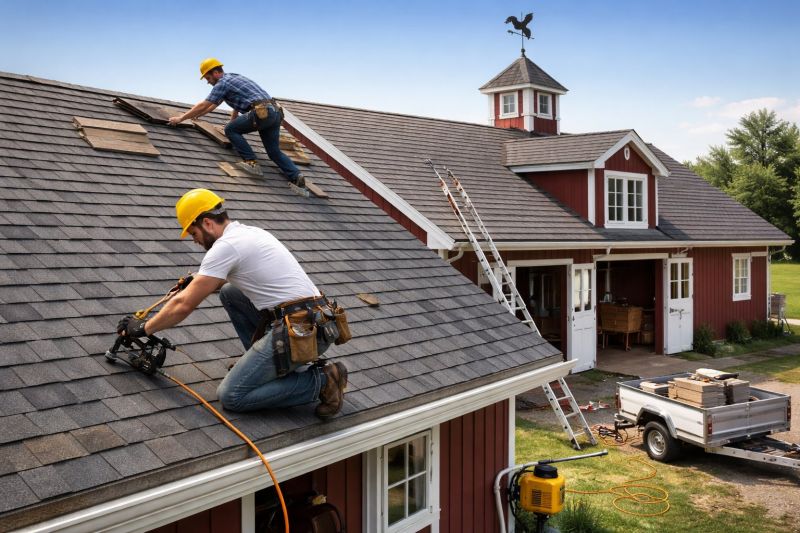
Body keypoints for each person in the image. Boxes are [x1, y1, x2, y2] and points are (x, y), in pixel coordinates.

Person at [116, 188, 346, 418]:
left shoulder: (226, 247)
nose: (195, 241)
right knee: (229, 292)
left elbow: (183, 305)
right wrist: (197, 280)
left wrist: (143, 328)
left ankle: (324, 380)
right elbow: (223, 279)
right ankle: (268, 369)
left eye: (193, 233)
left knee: (232, 395)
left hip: (301, 331)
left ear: (206, 223)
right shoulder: (248, 233)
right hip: (315, 322)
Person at [168, 58, 305, 187]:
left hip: (261, 112)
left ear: (216, 73)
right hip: (275, 113)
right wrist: (199, 116)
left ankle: (251, 162)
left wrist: (181, 118)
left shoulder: (222, 83)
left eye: (208, 78)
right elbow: (215, 105)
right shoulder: (234, 77)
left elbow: (204, 104)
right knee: (274, 151)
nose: (208, 82)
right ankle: (296, 176)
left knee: (230, 130)